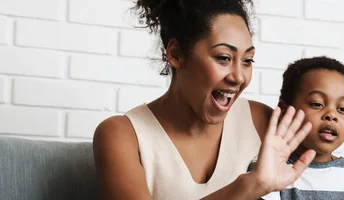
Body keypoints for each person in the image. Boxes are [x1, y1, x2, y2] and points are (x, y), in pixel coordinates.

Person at [92, 0, 316, 199]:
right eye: (223, 58)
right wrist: (248, 186)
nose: (239, 77)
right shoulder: (122, 135)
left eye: (248, 61)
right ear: (176, 54)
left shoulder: (261, 121)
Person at [249, 57, 344, 199]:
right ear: (284, 111)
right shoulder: (270, 171)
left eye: (342, 108)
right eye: (317, 104)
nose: (332, 115)